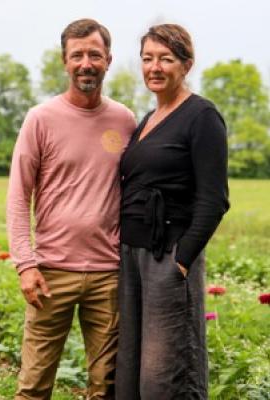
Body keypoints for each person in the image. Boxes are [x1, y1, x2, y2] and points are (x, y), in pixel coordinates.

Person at [6, 18, 137, 400]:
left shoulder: (124, 120)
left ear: (108, 60)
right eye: (77, 55)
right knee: (33, 386)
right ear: (64, 61)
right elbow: (18, 196)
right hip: (50, 273)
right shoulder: (40, 119)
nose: (86, 63)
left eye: (94, 55)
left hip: (108, 275)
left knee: (107, 388)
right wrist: (26, 264)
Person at [115, 24, 230, 399]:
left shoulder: (202, 116)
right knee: (131, 369)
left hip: (169, 256)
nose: (155, 67)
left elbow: (214, 199)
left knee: (164, 376)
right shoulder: (147, 119)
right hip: (133, 255)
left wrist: (182, 261)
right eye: (148, 58)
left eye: (166, 58)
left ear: (186, 64)